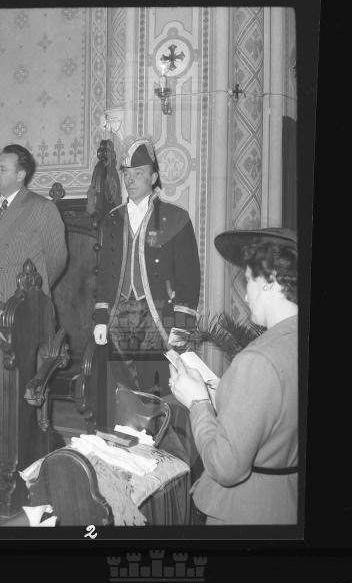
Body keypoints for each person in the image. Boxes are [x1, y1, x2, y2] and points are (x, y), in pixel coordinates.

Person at [168, 227, 298, 525]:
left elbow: (225, 467)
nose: (246, 295)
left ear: (269, 279)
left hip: (245, 514)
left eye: (248, 280)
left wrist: (198, 402)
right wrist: (222, 394)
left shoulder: (258, 359)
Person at [92, 137, 201, 382]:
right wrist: (100, 319)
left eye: (138, 173)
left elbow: (188, 278)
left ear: (153, 178)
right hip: (118, 319)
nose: (130, 180)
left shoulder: (176, 217)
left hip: (158, 317)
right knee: (121, 389)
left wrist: (182, 328)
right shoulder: (113, 219)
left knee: (158, 388)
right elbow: (104, 274)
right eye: (126, 174)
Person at [0, 144, 67, 303]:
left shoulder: (42, 208)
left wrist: (33, 291)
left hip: (23, 304)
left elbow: (57, 260)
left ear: (20, 175)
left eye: (2, 169)